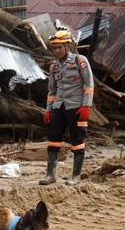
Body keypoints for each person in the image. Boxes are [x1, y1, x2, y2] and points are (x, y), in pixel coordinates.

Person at [40, 29, 94, 185]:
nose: (57, 51)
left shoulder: (80, 61)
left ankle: (75, 176)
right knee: (53, 139)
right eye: (54, 48)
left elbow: (89, 84)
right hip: (59, 106)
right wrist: (48, 110)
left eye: (59, 47)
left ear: (67, 46)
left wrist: (86, 106)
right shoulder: (54, 67)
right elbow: (52, 91)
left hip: (76, 107)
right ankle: (50, 175)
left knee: (77, 140)